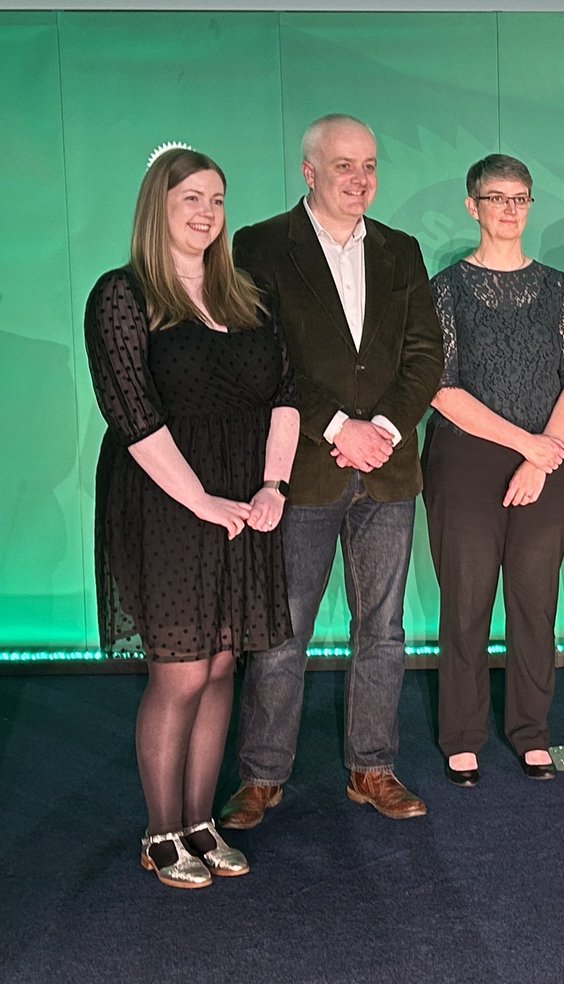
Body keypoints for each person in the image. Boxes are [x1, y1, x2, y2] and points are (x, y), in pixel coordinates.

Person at [219, 115, 443, 827]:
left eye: (370, 165)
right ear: (309, 171)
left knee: (383, 631)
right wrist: (335, 427)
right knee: (283, 634)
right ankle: (261, 775)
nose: (361, 179)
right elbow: (263, 357)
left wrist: (377, 430)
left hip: (386, 469)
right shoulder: (258, 245)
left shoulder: (403, 251)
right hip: (303, 470)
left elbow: (425, 356)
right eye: (344, 165)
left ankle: (373, 768)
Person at [84, 148, 299, 888]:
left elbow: (286, 396)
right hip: (165, 499)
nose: (206, 212)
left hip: (244, 498)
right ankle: (162, 832)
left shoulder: (250, 294)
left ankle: (202, 822)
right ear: (158, 206)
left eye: (215, 199)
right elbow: (133, 415)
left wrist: (273, 484)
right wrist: (201, 499)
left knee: (219, 664)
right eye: (190, 199)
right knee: (178, 671)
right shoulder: (122, 295)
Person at [424, 154, 564, 785]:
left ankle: (531, 731)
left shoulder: (557, 288)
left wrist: (543, 451)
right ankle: (462, 734)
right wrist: (529, 444)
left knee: (533, 602)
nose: (510, 209)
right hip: (466, 461)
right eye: (497, 198)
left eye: (520, 198)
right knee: (465, 605)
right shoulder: (446, 289)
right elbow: (441, 389)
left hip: (543, 463)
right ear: (473, 206)